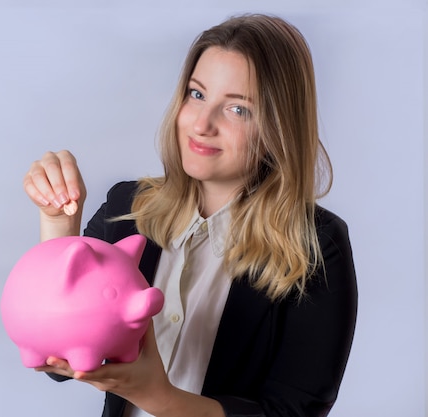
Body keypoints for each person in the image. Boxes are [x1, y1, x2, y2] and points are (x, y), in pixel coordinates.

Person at [23, 13, 358, 417]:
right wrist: (59, 225)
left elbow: (295, 410)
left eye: (238, 110)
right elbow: (60, 360)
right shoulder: (126, 207)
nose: (202, 125)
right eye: (197, 95)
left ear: (279, 126)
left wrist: (159, 397)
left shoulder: (318, 244)